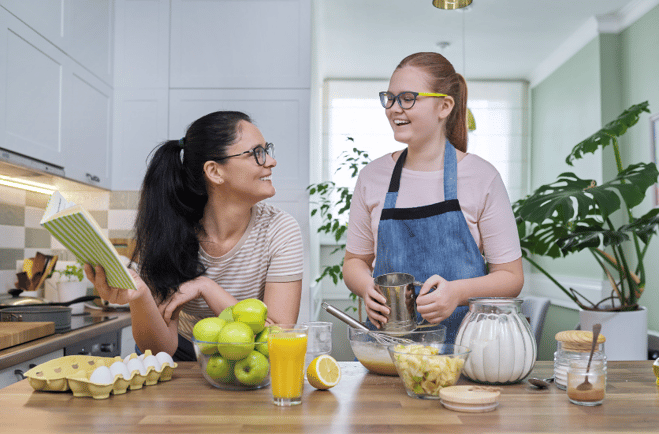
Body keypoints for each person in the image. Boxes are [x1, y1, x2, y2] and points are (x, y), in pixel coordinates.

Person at [85, 111, 304, 361]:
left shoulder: (280, 229)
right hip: (181, 358)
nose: (271, 161)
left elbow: (278, 336)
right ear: (214, 171)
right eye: (257, 153)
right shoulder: (169, 228)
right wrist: (140, 296)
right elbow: (160, 348)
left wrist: (206, 287)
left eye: (267, 150)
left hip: (249, 357)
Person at [342, 52, 523, 343]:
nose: (394, 108)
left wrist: (457, 293)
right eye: (389, 98)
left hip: (463, 356)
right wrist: (367, 287)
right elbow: (354, 261)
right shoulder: (372, 177)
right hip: (386, 354)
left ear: (444, 106)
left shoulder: (482, 177)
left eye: (408, 98)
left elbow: (511, 277)